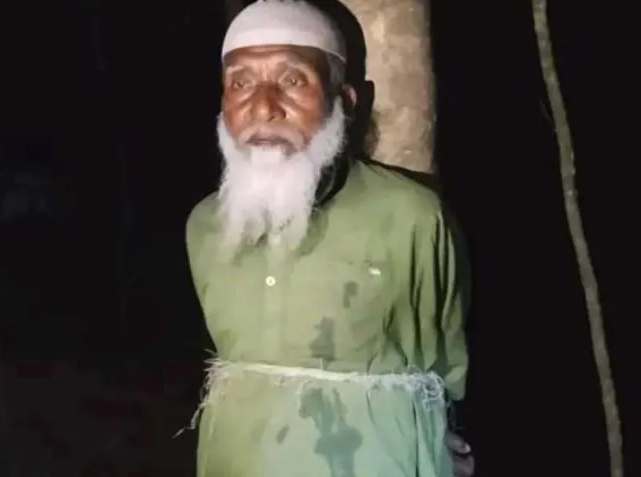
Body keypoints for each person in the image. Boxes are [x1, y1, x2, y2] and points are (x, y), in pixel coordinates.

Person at [184, 1, 474, 476]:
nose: (263, 107)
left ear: (346, 101)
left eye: (293, 80)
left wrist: (442, 437)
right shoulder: (204, 225)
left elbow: (442, 356)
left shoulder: (411, 216)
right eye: (241, 83)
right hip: (237, 459)